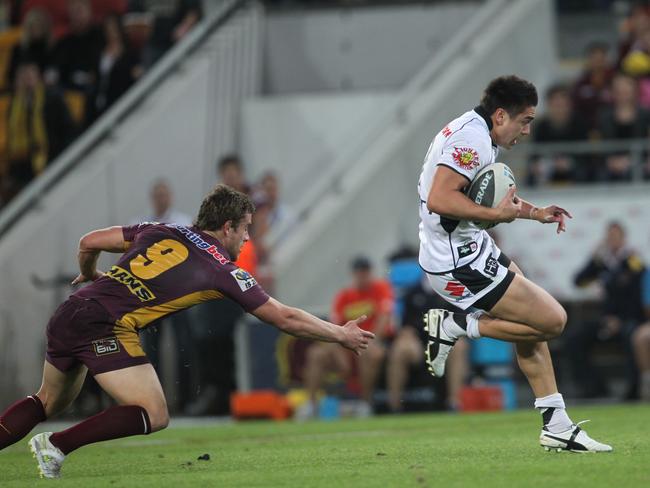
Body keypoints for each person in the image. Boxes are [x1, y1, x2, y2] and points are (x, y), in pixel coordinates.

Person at [0, 184, 374, 478]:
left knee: (48, 400)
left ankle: (52, 443)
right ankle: (57, 446)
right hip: (106, 325)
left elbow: (88, 242)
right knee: (155, 412)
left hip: (71, 310)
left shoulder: (161, 229)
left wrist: (91, 272)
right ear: (227, 226)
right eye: (245, 229)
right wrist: (340, 334)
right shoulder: (222, 270)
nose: (247, 240)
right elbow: (283, 318)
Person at [418, 75, 611, 452]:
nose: (526, 130)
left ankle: (556, 424)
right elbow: (441, 198)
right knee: (553, 320)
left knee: (532, 326)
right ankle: (457, 325)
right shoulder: (471, 141)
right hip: (456, 261)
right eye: (525, 121)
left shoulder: (479, 133)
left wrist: (534, 212)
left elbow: (490, 200)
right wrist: (495, 214)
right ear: (501, 115)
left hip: (472, 247)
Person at [132, 179, 194, 413]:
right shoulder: (139, 224)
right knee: (152, 349)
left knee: (184, 346)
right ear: (152, 197)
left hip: (178, 293)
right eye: (157, 194)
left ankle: (186, 400)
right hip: (151, 296)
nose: (161, 198)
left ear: (170, 196)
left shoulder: (183, 222)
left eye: (164, 194)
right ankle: (154, 400)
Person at [304, 256, 393, 415]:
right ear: (354, 274)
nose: (362, 276)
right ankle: (311, 405)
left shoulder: (380, 288)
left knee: (370, 353)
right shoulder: (344, 296)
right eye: (359, 272)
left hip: (370, 342)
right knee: (316, 354)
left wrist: (372, 339)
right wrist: (338, 348)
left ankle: (365, 404)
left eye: (365, 272)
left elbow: (384, 317)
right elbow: (333, 326)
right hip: (346, 344)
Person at [567, 221, 645, 399]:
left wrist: (620, 320)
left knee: (631, 337)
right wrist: (593, 258)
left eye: (616, 237)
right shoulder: (602, 262)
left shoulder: (633, 261)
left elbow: (639, 297)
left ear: (623, 239)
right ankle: (594, 387)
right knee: (574, 339)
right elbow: (578, 281)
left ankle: (633, 390)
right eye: (609, 237)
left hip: (629, 320)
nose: (612, 240)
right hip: (606, 320)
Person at [387, 275, 468, 412]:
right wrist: (408, 333)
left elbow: (462, 321)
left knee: (459, 346)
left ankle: (454, 402)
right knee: (399, 349)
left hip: (445, 339)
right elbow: (406, 326)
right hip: (418, 341)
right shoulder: (413, 292)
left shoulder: (454, 290)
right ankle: (394, 406)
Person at [1, 61, 76, 205]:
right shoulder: (15, 103)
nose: (27, 78)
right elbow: (11, 138)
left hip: (50, 157)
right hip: (22, 164)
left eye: (31, 73)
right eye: (24, 74)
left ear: (38, 76)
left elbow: (68, 129)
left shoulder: (52, 98)